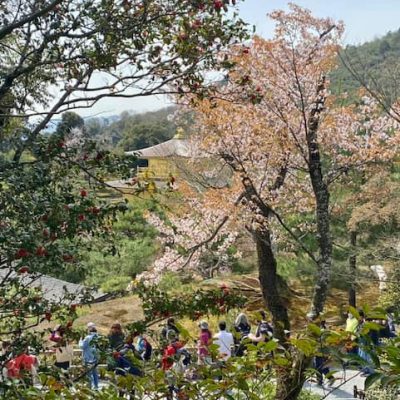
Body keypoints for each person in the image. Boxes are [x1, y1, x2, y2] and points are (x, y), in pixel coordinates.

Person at [79, 322, 99, 390]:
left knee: (89, 374)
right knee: (95, 373)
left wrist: (80, 340)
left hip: (88, 358)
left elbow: (82, 346)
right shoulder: (98, 336)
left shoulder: (87, 338)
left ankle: (89, 387)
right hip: (96, 358)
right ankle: (96, 386)